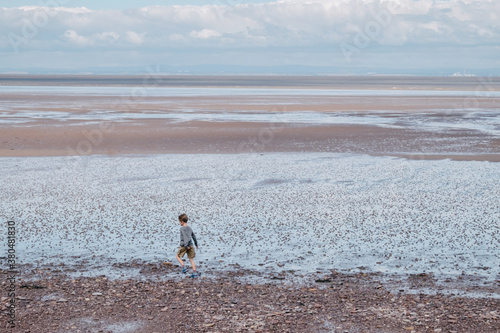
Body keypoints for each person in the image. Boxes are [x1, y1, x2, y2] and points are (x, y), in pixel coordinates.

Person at [175, 213, 200, 278]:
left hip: (184, 245)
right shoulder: (190, 228)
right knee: (191, 259)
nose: (179, 223)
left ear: (182, 222)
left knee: (177, 256)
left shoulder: (182, 229)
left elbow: (185, 237)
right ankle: (194, 272)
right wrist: (196, 243)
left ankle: (184, 266)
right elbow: (193, 236)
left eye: (179, 221)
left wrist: (185, 246)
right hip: (191, 245)